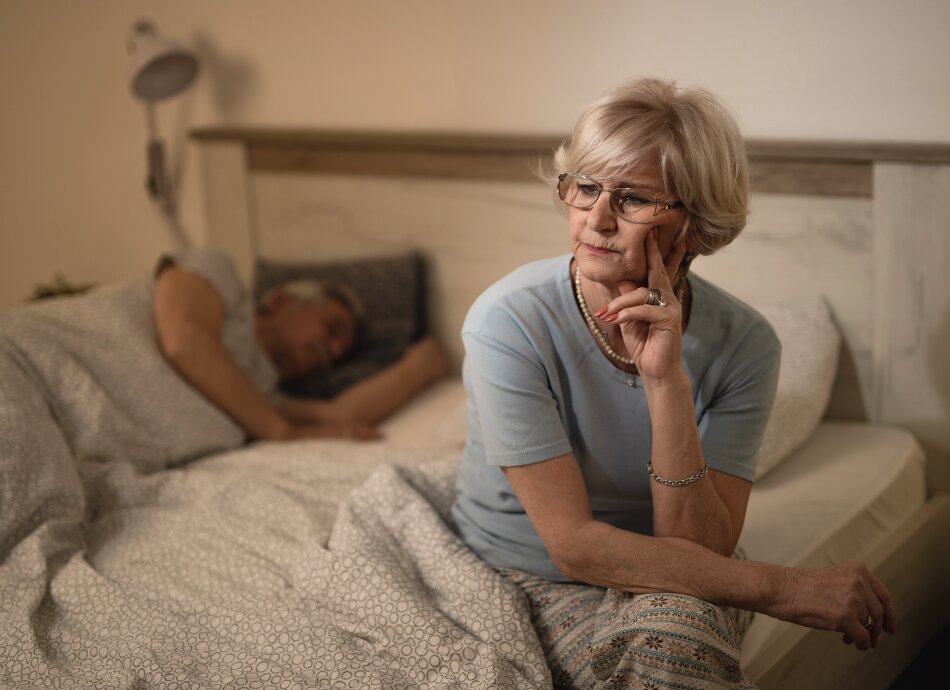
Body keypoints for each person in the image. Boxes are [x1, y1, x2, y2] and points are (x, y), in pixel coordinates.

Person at [451, 78, 895, 689]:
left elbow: (699, 547)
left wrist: (666, 380)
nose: (596, 219)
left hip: (676, 564)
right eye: (585, 187)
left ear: (698, 223)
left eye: (632, 198)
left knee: (679, 640)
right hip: (519, 570)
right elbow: (574, 547)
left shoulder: (747, 345)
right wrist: (784, 587)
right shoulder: (507, 320)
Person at [153, 248, 446, 441]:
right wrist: (278, 430)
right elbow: (184, 341)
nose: (331, 352)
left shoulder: (264, 398)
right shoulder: (218, 277)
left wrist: (416, 369)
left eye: (336, 360)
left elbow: (340, 416)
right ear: (282, 300)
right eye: (332, 329)